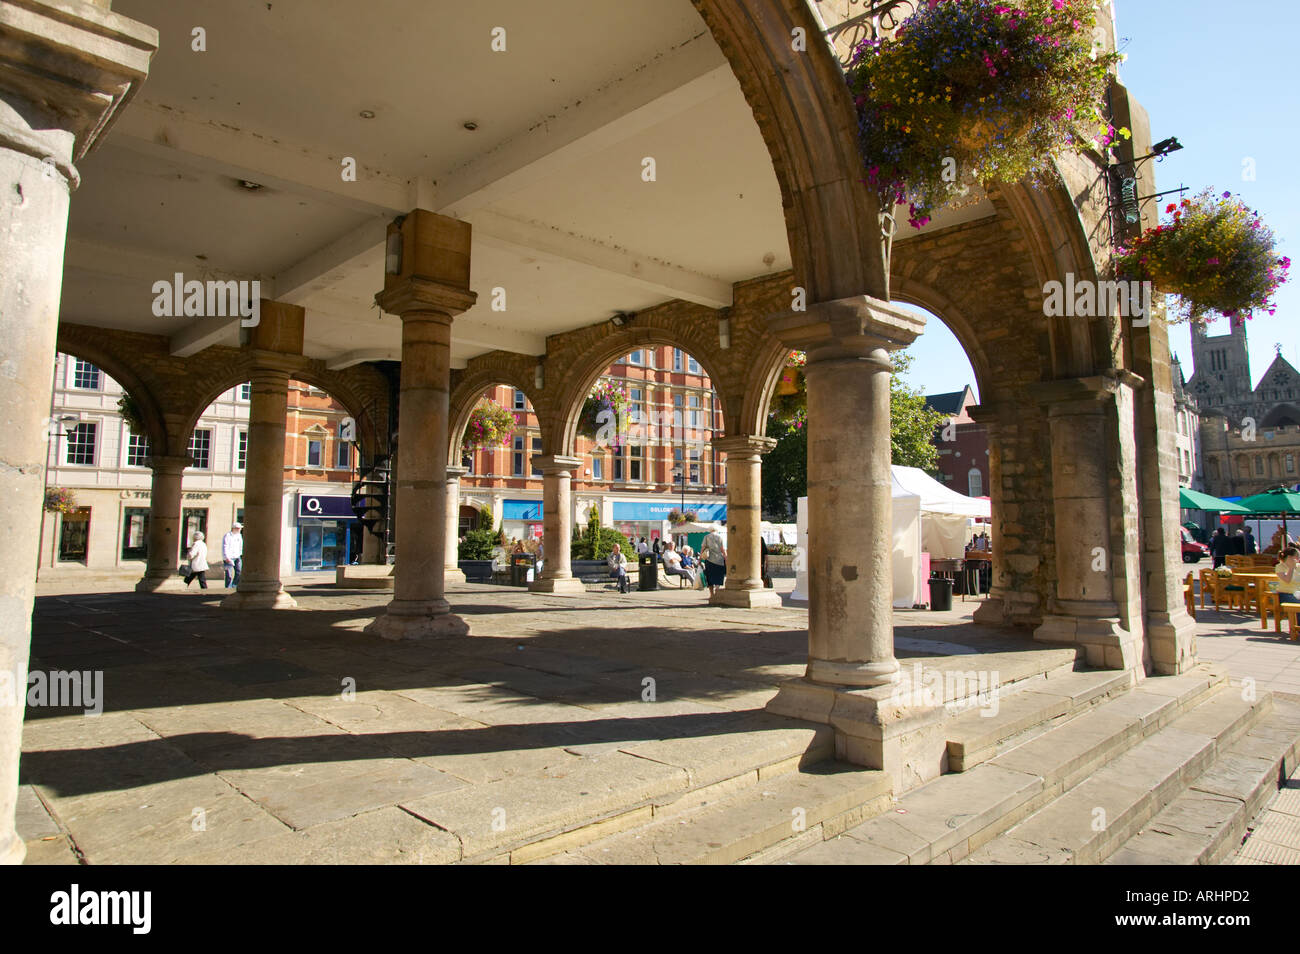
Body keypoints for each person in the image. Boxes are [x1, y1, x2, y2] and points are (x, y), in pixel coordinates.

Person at [700, 528, 727, 596]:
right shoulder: (720, 537)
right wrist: (726, 558)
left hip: (709, 560)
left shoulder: (706, 537)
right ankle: (717, 591)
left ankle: (711, 594)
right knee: (718, 576)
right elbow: (722, 549)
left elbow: (703, 548)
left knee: (710, 577)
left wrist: (700, 559)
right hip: (719, 560)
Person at [221, 522, 243, 588]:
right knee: (229, 574)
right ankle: (228, 587)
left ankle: (234, 584)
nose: (240, 530)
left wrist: (240, 553)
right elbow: (225, 546)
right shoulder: (227, 536)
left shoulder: (239, 535)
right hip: (229, 557)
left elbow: (240, 546)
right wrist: (227, 557)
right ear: (234, 528)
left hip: (237, 556)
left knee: (239, 572)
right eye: (239, 528)